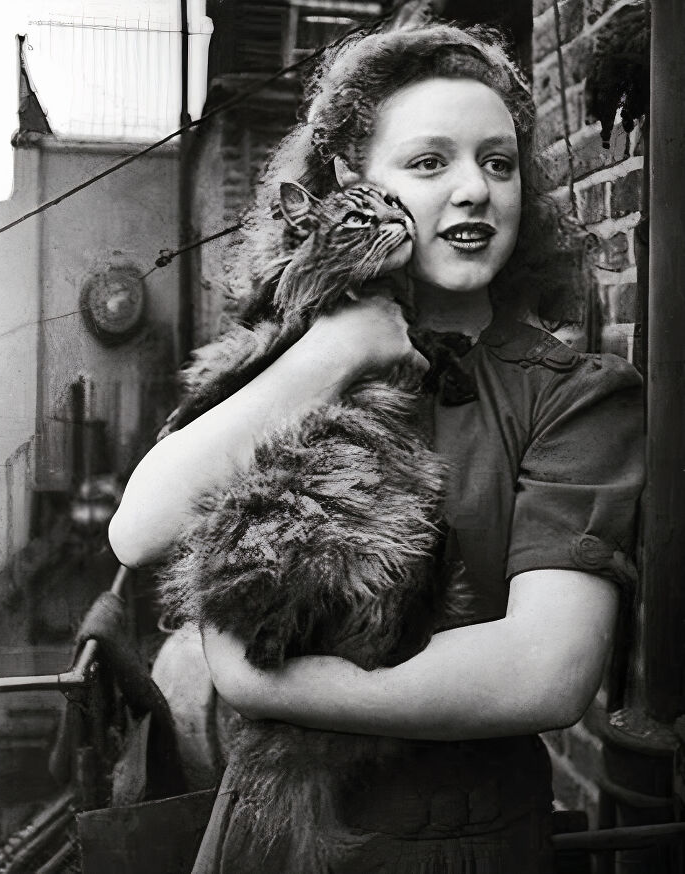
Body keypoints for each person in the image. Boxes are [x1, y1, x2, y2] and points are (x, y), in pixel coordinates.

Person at [108, 20, 644, 874]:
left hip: (456, 844)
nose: (474, 189)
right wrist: (339, 349)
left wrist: (261, 684)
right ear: (355, 186)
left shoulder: (573, 397)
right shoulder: (283, 355)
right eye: (430, 163)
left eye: (498, 162)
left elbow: (545, 672)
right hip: (262, 838)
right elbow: (139, 530)